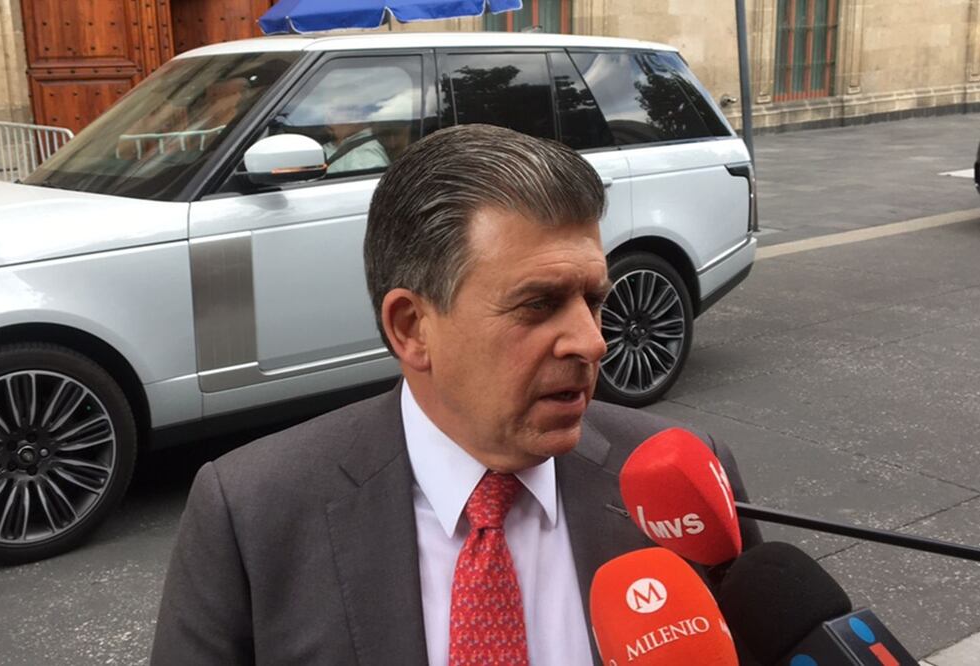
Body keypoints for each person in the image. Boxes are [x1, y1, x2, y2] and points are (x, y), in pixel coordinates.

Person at [150, 124, 760, 665]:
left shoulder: (684, 481)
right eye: (539, 304)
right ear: (412, 328)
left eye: (594, 301)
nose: (592, 342)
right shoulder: (251, 515)